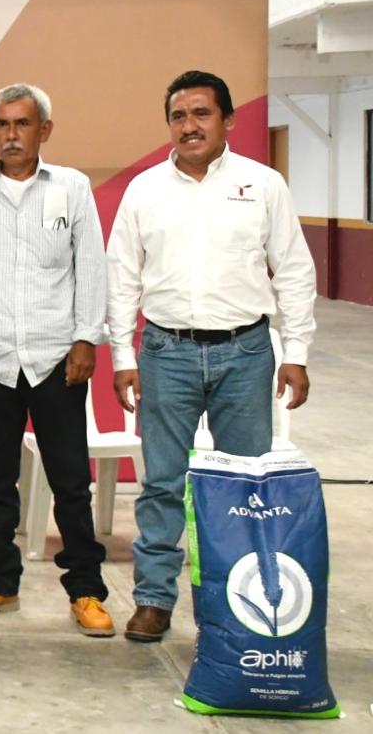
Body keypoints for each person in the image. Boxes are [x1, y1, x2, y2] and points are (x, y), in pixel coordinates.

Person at [107, 69, 317, 642]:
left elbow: (294, 270)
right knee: (162, 484)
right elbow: (121, 276)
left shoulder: (263, 184)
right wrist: (123, 355)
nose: (189, 125)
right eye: (178, 116)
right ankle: (153, 599)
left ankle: (240, 605)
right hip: (165, 352)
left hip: (245, 354)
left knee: (245, 487)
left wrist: (296, 350)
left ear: (228, 120)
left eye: (201, 113)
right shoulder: (144, 190)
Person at [0, 83, 114, 637]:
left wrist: (86, 339)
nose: (12, 134)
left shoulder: (72, 187)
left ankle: (86, 590)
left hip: (57, 359)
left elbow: (92, 269)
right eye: (3, 124)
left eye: (23, 123)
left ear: (44, 130)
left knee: (70, 482)